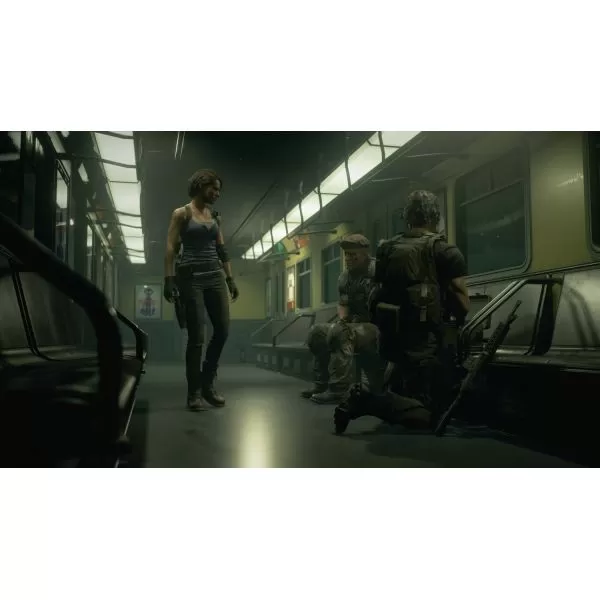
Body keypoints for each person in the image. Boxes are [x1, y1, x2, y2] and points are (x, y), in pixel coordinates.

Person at [334, 189, 470, 433]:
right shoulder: (445, 251)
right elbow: (462, 301)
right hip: (427, 342)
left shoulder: (387, 249)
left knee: (410, 396)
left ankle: (383, 399)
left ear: (407, 217)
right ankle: (366, 399)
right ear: (435, 217)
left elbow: (379, 291)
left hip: (392, 341)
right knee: (432, 417)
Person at [163, 169, 240, 411]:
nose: (217, 193)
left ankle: (207, 383)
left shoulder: (215, 216)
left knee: (223, 330)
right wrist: (169, 279)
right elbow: (170, 247)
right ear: (200, 186)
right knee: (197, 338)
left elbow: (221, 249)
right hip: (191, 277)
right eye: (213, 188)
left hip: (214, 276)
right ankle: (194, 393)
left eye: (219, 190)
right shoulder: (182, 214)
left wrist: (230, 278)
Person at [302, 234, 387, 405]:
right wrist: (342, 320)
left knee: (341, 332)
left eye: (353, 254)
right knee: (317, 332)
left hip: (377, 325)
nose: (348, 258)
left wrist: (343, 328)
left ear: (365, 254)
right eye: (346, 254)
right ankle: (321, 384)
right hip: (356, 324)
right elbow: (343, 304)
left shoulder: (378, 271)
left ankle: (338, 390)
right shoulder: (344, 277)